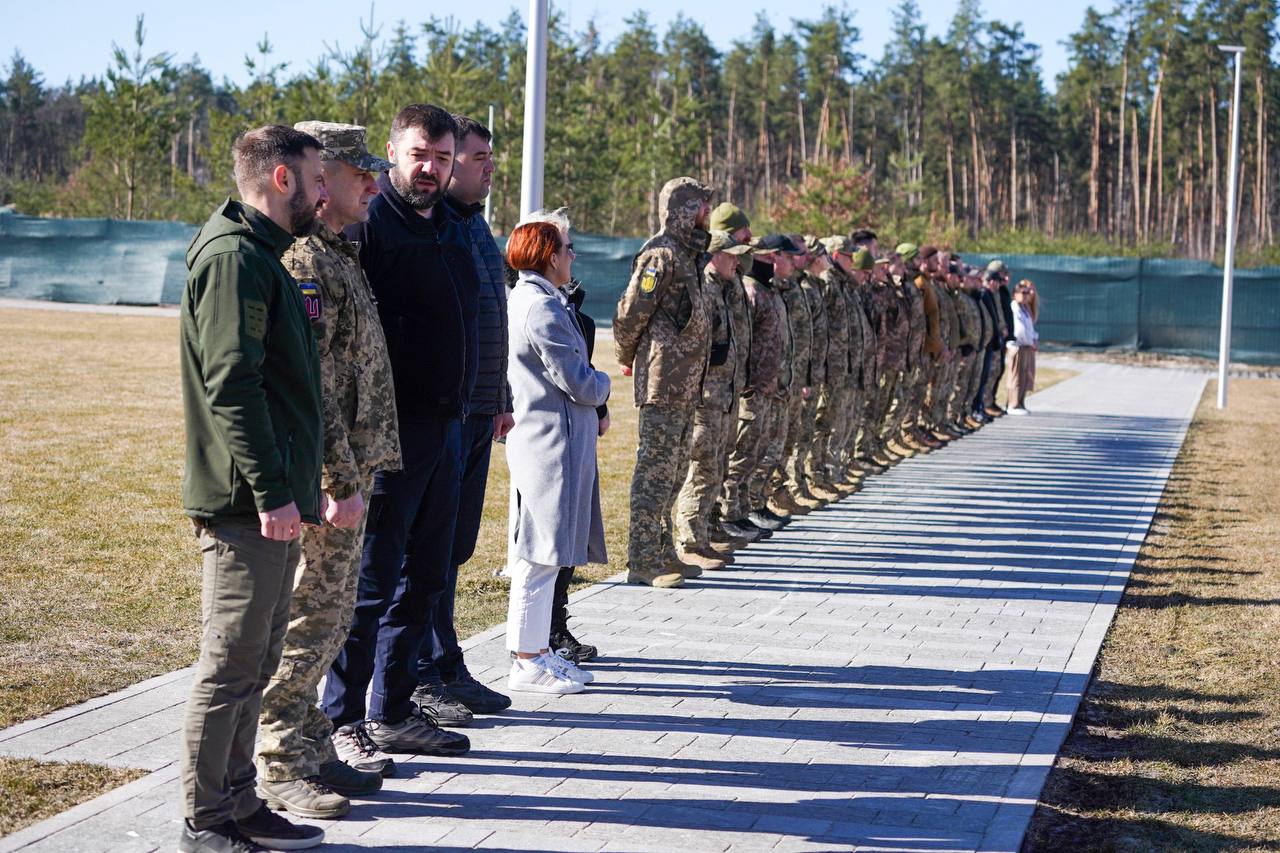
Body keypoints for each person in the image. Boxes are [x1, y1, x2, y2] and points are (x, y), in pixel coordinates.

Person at [178, 124, 327, 852]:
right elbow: (232, 386)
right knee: (230, 663)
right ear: (279, 179)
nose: (324, 191)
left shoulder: (262, 255)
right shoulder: (237, 260)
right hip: (245, 501)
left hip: (267, 496)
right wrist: (271, 491)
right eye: (316, 177)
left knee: (255, 662)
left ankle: (238, 802)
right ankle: (204, 820)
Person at [253, 122, 398, 822]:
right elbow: (312, 387)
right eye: (358, 173)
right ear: (322, 178)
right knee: (310, 617)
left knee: (332, 615)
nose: (374, 184)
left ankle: (311, 743)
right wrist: (338, 480)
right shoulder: (308, 262)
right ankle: (280, 762)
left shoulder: (342, 255)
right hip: (328, 478)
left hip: (352, 469)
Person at [322, 103, 474, 760]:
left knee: (428, 578)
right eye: (420, 154)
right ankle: (342, 718)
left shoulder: (451, 225)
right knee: (373, 581)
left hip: (447, 428)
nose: (431, 168)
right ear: (392, 152)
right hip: (389, 433)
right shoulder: (371, 223)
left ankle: (393, 707)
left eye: (442, 157)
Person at [412, 114, 514, 727]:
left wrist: (498, 395)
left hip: (477, 410)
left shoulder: (474, 227)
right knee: (428, 553)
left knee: (453, 549)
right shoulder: (438, 226)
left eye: (485, 158)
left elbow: (488, 323)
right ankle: (423, 674)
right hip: (446, 413)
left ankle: (446, 661)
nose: (485, 168)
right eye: (475, 158)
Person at [505, 212, 611, 693]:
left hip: (556, 441)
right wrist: (605, 383)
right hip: (550, 443)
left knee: (544, 556)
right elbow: (579, 380)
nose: (572, 256)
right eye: (567, 248)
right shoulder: (541, 306)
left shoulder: (543, 299)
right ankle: (527, 658)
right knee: (538, 556)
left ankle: (539, 651)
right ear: (549, 254)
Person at [613, 176, 713, 588]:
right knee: (655, 469)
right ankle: (643, 559)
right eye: (703, 207)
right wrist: (625, 356)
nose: (708, 214)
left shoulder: (688, 254)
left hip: (686, 382)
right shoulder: (661, 255)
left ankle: (664, 549)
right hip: (663, 381)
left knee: (673, 471)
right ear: (687, 210)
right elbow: (631, 312)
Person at [674, 230, 752, 567]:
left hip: (723, 394)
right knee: (703, 467)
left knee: (716, 466)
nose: (737, 261)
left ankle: (704, 534)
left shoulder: (722, 288)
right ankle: (690, 540)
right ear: (713, 256)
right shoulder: (704, 290)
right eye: (731, 255)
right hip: (706, 397)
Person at [1006, 280, 1039, 414]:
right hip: (1018, 345)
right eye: (1022, 293)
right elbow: (1019, 330)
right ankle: (1013, 404)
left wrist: (1034, 339)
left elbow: (1030, 328)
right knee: (1016, 376)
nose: (1026, 295)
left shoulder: (1025, 309)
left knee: (1024, 376)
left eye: (1027, 293)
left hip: (1026, 345)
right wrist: (1030, 341)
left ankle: (1020, 403)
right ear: (1015, 294)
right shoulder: (1015, 307)